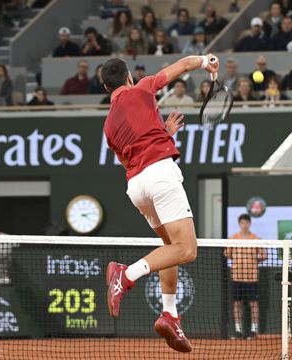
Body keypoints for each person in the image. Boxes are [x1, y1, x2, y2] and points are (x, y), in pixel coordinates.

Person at [101, 53, 219, 353]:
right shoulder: (141, 88)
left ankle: (170, 314)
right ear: (129, 77)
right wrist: (208, 61)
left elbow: (131, 156)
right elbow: (182, 65)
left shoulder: (108, 127)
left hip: (137, 186)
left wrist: (163, 133)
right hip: (160, 175)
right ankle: (125, 275)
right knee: (187, 249)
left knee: (171, 250)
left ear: (106, 89)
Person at [225, 214, 267, 339]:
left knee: (253, 303)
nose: (244, 225)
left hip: (252, 277)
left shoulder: (256, 239)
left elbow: (264, 255)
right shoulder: (232, 238)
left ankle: (254, 330)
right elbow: (227, 254)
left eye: (246, 223)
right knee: (237, 303)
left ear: (250, 224)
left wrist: (252, 262)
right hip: (237, 276)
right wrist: (239, 261)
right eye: (242, 223)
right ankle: (238, 330)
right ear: (239, 224)